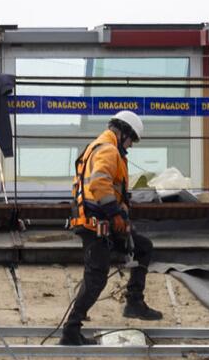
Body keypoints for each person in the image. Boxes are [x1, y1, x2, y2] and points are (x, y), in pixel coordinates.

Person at [59, 109, 160, 345]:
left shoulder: (101, 146)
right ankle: (71, 330)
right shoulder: (107, 149)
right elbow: (99, 181)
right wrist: (115, 214)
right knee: (96, 277)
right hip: (97, 224)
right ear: (123, 131)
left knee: (143, 247)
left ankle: (134, 302)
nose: (131, 145)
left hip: (102, 221)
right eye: (131, 139)